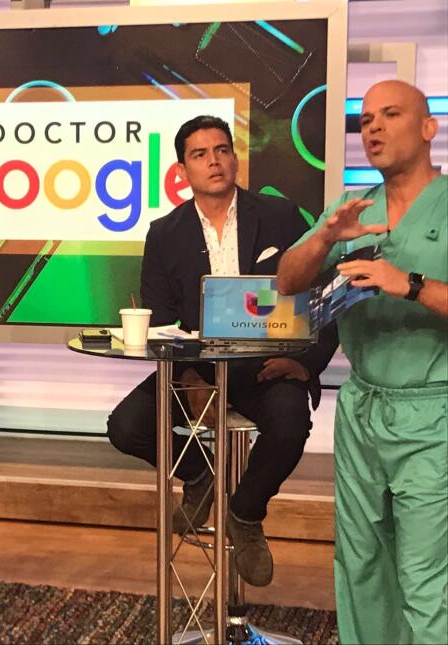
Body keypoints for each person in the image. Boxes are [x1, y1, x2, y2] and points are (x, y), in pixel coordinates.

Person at [107, 115, 338, 587]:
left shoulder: (280, 216)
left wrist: (305, 362)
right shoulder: (164, 233)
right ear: (182, 170)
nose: (213, 161)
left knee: (291, 424)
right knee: (127, 426)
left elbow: (326, 291)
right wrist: (189, 377)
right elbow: (162, 318)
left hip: (267, 364)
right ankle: (200, 475)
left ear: (234, 158)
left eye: (222, 150)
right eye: (200, 154)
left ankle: (246, 512)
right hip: (198, 368)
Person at [277, 80, 447, 643]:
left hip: (435, 414)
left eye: (390, 114)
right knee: (361, 565)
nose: (373, 127)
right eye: (366, 118)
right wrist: (324, 238)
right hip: (362, 410)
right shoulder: (352, 209)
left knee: (426, 576)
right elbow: (286, 283)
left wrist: (411, 284)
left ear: (429, 128)